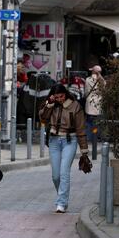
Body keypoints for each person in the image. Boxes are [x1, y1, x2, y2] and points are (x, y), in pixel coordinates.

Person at [39, 84, 88, 213]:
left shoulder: (75, 106)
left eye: (61, 96)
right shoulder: (51, 104)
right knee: (55, 176)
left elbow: (81, 129)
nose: (59, 99)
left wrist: (84, 151)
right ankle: (62, 196)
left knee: (64, 172)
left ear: (65, 94)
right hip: (54, 141)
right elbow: (43, 118)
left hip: (69, 141)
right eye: (56, 97)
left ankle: (61, 203)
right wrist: (49, 104)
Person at [83, 65, 106, 154]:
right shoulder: (102, 80)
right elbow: (104, 90)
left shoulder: (88, 80)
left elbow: (85, 92)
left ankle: (88, 138)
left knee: (89, 121)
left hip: (90, 103)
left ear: (93, 71)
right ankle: (96, 139)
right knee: (97, 122)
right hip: (98, 104)